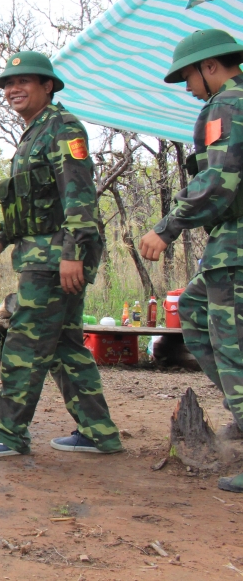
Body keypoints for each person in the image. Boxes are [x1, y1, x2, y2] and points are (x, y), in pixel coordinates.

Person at [0, 51, 123, 458]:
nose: (12, 90)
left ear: (47, 86)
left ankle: (9, 434)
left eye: (23, 82)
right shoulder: (34, 133)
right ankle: (98, 431)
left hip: (56, 257)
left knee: (26, 343)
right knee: (65, 345)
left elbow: (79, 195)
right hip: (41, 250)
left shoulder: (63, 127)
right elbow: (35, 200)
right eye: (7, 85)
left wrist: (72, 253)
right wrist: (3, 236)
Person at [137, 29, 243, 494]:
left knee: (233, 343)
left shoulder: (226, 106)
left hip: (236, 249)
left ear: (211, 66)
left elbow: (218, 182)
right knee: (196, 312)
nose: (188, 88)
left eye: (188, 77)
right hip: (229, 247)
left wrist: (167, 227)